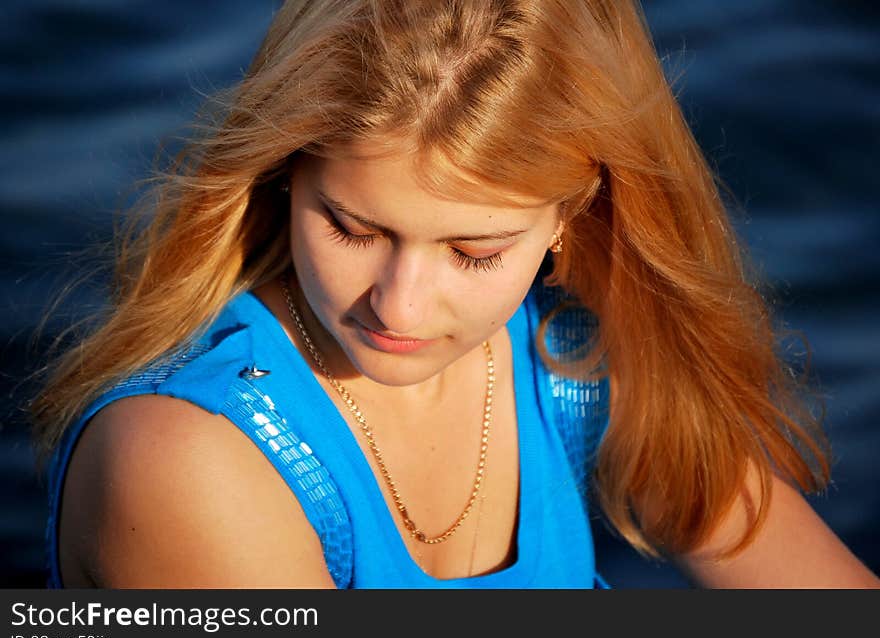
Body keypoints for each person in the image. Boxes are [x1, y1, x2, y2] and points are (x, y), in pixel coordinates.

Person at [29, 0, 879, 589]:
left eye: (475, 251)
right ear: (285, 175)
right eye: (353, 229)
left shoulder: (572, 358)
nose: (397, 307)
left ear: (569, 219)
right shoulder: (189, 459)